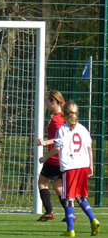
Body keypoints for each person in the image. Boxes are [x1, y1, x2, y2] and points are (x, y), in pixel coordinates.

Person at [39, 101, 100, 237]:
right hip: (83, 165)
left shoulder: (63, 129)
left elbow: (57, 148)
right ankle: (93, 219)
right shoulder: (83, 129)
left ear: (64, 115)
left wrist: (45, 158)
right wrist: (91, 166)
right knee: (80, 196)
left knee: (68, 197)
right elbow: (89, 148)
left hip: (70, 167)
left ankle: (70, 229)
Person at [36, 91, 68, 222]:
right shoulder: (63, 116)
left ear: (54, 103)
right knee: (58, 186)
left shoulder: (56, 120)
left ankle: (49, 211)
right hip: (63, 159)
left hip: (55, 158)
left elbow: (58, 141)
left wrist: (45, 154)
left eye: (47, 102)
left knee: (42, 182)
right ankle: (69, 213)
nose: (46, 105)